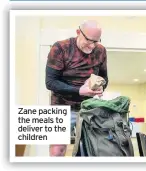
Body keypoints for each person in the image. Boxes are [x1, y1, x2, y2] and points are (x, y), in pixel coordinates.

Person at [45, 20, 108, 156]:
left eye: (96, 41)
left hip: (88, 108)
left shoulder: (101, 50)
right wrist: (79, 90)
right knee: (57, 151)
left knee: (90, 150)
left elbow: (104, 78)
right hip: (61, 107)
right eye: (89, 40)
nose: (92, 46)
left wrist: (101, 86)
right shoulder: (60, 48)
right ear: (78, 32)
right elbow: (50, 82)